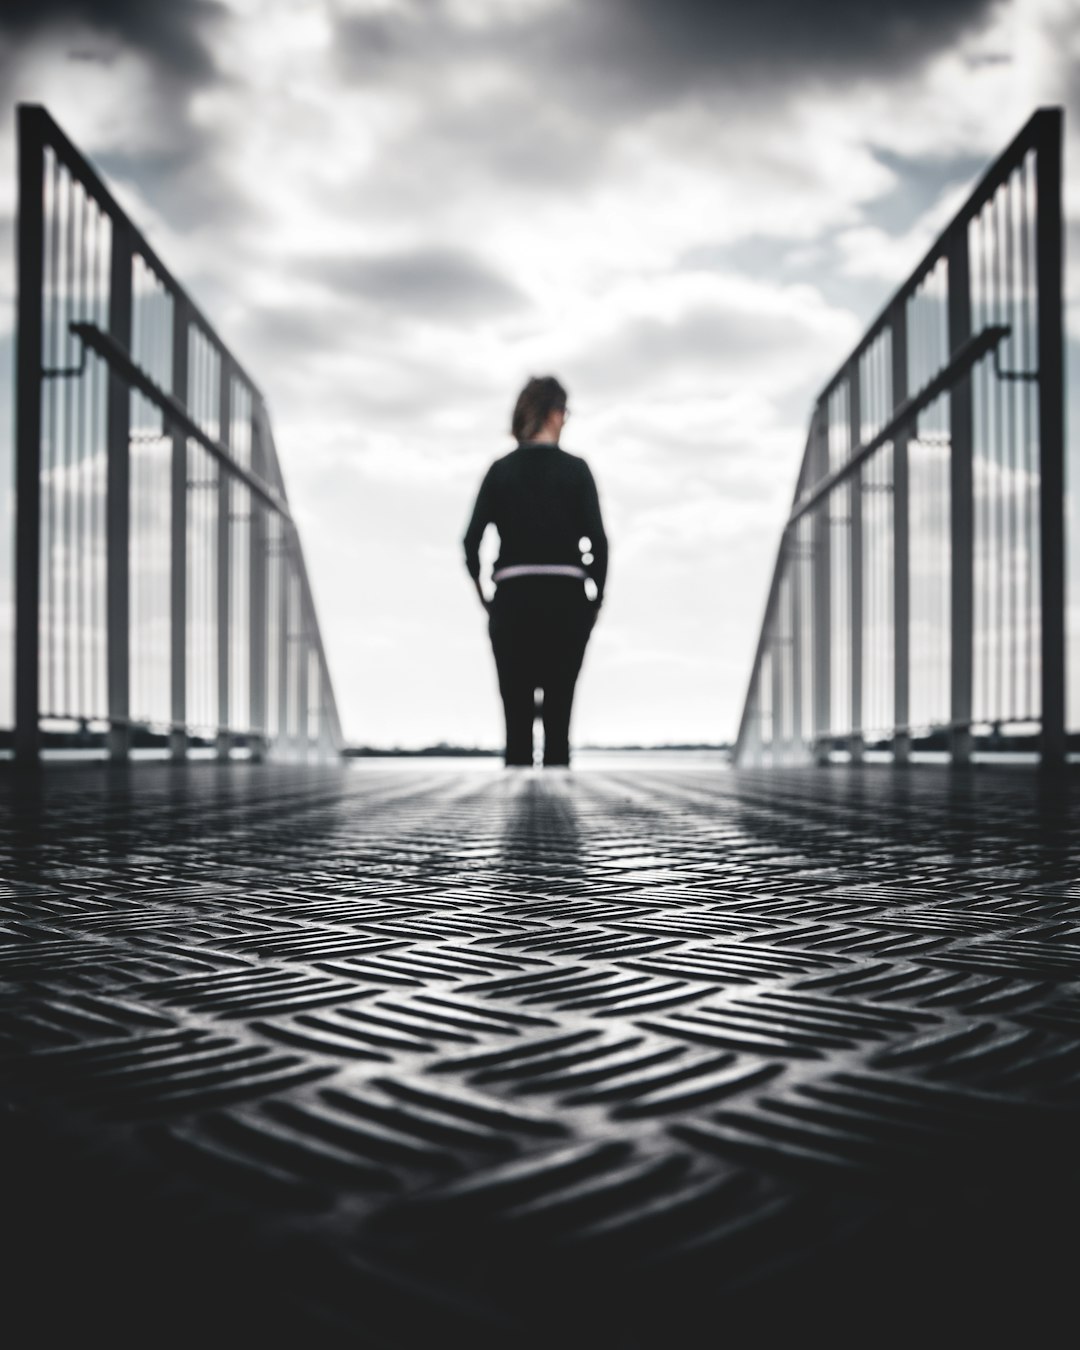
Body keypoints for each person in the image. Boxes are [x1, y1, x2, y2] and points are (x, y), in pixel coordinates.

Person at [463, 376, 608, 768]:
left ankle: (517, 816)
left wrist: (487, 599)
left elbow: (470, 543)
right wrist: (595, 598)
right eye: (564, 412)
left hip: (513, 600)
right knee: (559, 718)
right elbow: (599, 542)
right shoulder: (577, 471)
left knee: (517, 719)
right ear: (553, 413)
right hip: (566, 599)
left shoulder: (500, 471)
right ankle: (559, 818)